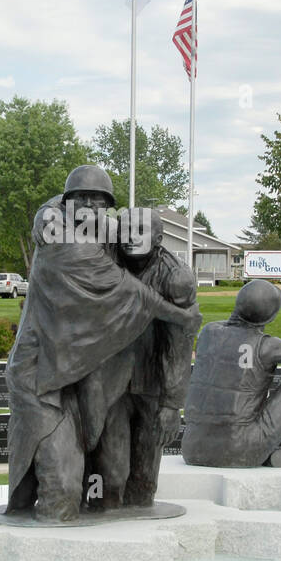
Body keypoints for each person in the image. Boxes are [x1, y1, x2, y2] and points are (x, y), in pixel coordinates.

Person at [4, 166, 201, 522]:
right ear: (66, 202)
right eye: (81, 199)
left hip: (85, 379)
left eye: (99, 202)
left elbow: (175, 342)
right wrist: (178, 315)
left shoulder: (127, 247)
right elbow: (123, 287)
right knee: (62, 496)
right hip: (42, 378)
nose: (89, 207)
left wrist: (172, 402)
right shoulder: (59, 238)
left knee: (112, 475)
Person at [89, 208, 196, 508]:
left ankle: (140, 521)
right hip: (110, 381)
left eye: (140, 230)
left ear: (158, 238)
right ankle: (103, 512)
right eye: (125, 229)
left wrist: (172, 404)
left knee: (144, 479)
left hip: (152, 383)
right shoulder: (104, 260)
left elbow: (179, 344)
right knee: (111, 470)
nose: (130, 237)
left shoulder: (176, 278)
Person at [183, 279, 281, 468]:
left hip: (193, 448)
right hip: (241, 448)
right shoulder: (267, 345)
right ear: (270, 318)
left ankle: (276, 453)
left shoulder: (207, 332)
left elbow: (232, 331)